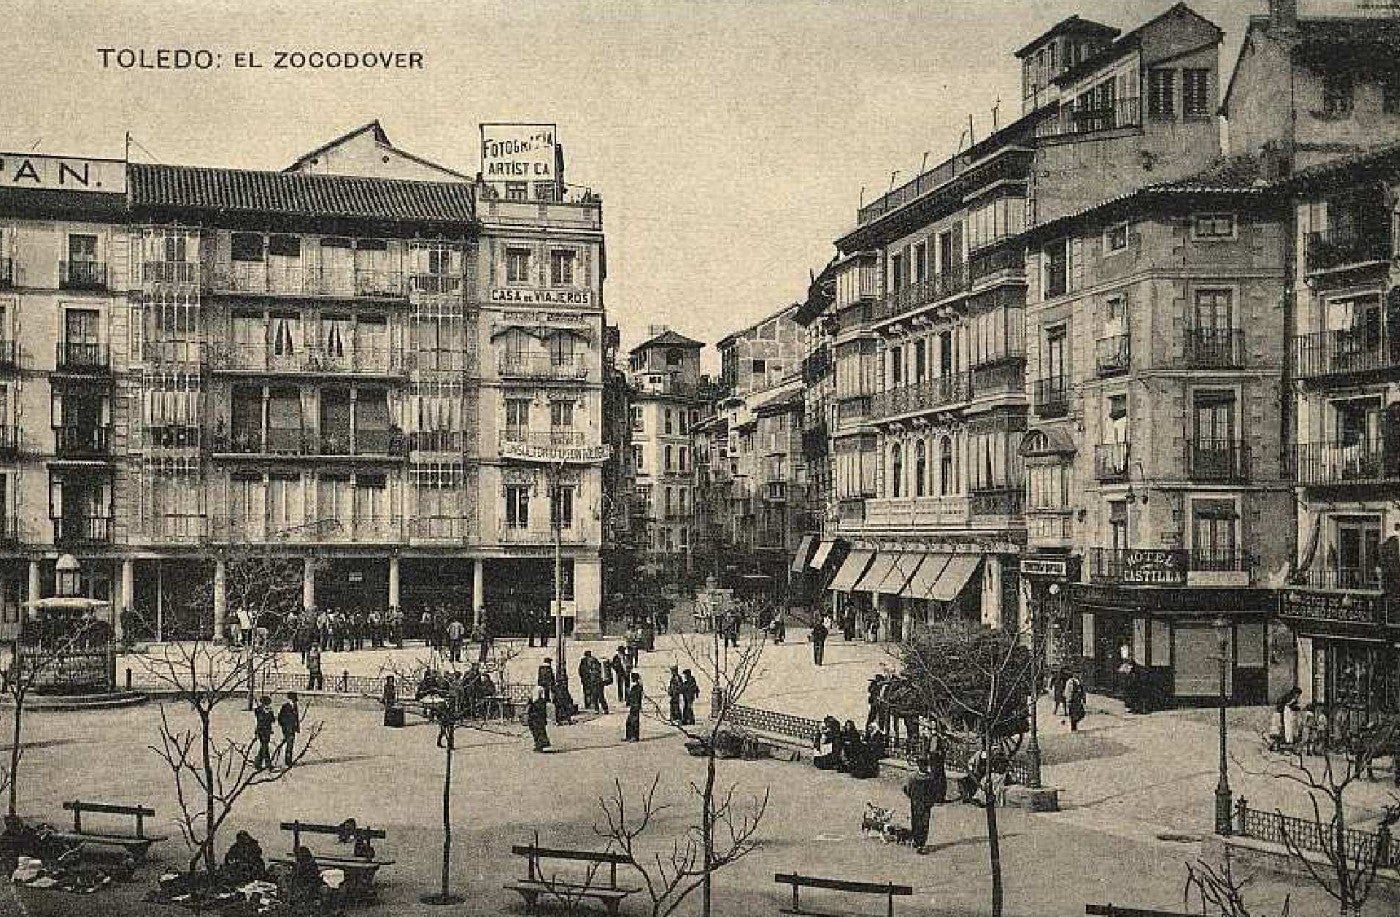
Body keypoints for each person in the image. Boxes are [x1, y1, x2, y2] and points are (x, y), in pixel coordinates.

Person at [903, 758, 941, 853]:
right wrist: (912, 797)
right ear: (919, 766)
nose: (924, 767)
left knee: (924, 822)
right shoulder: (913, 777)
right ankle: (916, 840)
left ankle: (921, 843)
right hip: (916, 803)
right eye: (922, 765)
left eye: (925, 765)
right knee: (916, 821)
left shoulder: (930, 777)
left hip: (925, 803)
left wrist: (931, 801)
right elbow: (907, 788)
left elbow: (934, 791)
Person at [277, 692, 301, 768]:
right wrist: (284, 728)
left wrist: (297, 727)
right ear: (290, 699)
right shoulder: (285, 707)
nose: (294, 701)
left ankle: (288, 760)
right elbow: (280, 718)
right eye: (293, 700)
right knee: (289, 744)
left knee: (291, 745)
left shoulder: (295, 706)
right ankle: (288, 761)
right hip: (287, 729)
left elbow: (296, 718)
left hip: (293, 728)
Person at [253, 696, 275, 771]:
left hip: (267, 732)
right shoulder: (259, 710)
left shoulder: (269, 711)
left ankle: (262, 764)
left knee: (265, 748)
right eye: (267, 704)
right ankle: (262, 764)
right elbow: (259, 719)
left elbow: (273, 720)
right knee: (264, 747)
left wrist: (270, 712)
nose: (268, 705)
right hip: (261, 731)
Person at [526, 686, 551, 752]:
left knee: (538, 733)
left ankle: (540, 745)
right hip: (537, 720)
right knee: (538, 732)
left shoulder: (537, 702)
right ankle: (539, 745)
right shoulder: (541, 701)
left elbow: (533, 710)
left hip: (536, 720)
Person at [625, 672, 643, 742]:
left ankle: (634, 737)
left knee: (634, 722)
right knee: (629, 722)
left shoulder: (637, 687)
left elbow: (635, 697)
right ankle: (629, 736)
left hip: (635, 706)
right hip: (633, 705)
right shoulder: (635, 686)